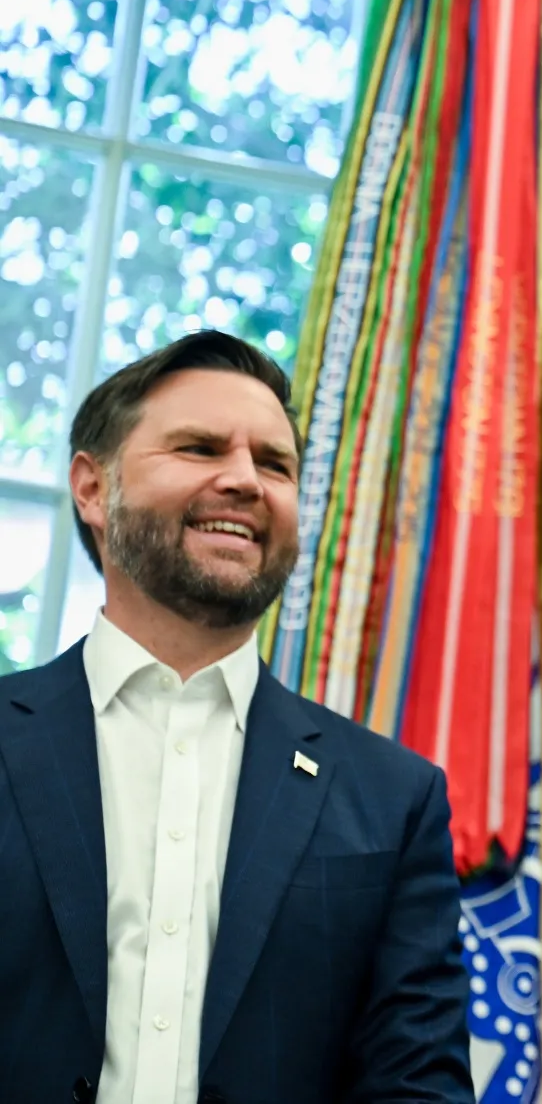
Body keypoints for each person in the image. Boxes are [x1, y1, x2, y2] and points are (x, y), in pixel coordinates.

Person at [0, 331, 472, 1103]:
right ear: (91, 487)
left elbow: (415, 1086)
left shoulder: (394, 800)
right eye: (200, 448)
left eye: (275, 465)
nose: (247, 481)